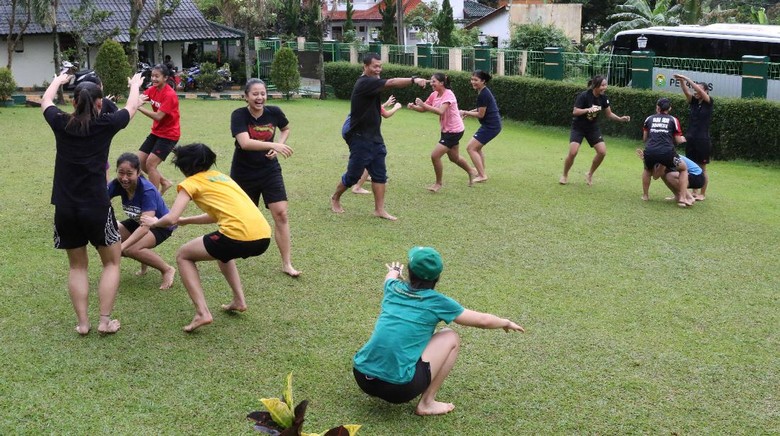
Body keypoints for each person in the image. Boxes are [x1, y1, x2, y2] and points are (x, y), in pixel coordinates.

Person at [353, 246, 525, 416]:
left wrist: (395, 271)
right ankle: (427, 403)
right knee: (450, 336)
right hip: (399, 390)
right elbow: (483, 321)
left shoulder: (392, 288)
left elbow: (389, 278)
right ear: (437, 278)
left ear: (410, 272)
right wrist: (505, 322)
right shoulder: (438, 302)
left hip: (362, 377)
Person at [42, 71, 144, 335]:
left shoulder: (60, 122)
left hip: (65, 207)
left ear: (74, 102)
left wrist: (58, 81)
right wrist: (134, 84)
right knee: (111, 263)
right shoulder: (106, 124)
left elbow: (46, 101)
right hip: (96, 207)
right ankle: (104, 321)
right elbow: (131, 107)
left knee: (77, 266)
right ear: (100, 103)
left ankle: (83, 323)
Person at [141, 143, 272, 332]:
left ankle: (202, 313)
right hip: (263, 236)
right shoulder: (221, 177)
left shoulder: (190, 183)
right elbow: (215, 215)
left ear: (184, 166)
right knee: (223, 254)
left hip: (237, 237)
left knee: (184, 255)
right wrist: (186, 221)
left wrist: (154, 222)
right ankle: (239, 301)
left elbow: (171, 218)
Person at [330, 53, 428, 221]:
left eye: (380, 66)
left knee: (379, 174)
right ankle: (335, 198)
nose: (378, 70)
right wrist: (414, 80)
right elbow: (392, 82)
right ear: (365, 66)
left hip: (375, 137)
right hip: (360, 137)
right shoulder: (364, 83)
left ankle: (379, 210)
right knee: (353, 175)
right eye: (375, 66)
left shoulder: (372, 83)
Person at [230, 79, 300, 277]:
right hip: (244, 172)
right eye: (255, 94)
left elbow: (285, 128)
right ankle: (227, 254)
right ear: (246, 96)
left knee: (281, 214)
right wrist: (274, 145)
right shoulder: (239, 115)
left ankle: (287, 263)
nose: (259, 97)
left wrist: (278, 145)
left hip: (270, 170)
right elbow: (245, 143)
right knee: (240, 217)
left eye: (263, 93)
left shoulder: (274, 112)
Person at [108, 152, 176, 289]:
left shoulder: (147, 190)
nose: (124, 178)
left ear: (138, 172)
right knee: (112, 239)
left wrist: (123, 246)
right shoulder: (117, 184)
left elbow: (145, 226)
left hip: (160, 225)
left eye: (129, 174)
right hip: (137, 220)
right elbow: (100, 201)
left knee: (130, 249)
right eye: (121, 173)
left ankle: (167, 269)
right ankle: (143, 260)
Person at [408, 73, 475, 192]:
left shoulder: (448, 94)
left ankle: (438, 184)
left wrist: (423, 105)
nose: (431, 83)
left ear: (442, 83)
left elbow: (440, 111)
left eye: (434, 81)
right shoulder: (434, 94)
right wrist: (414, 107)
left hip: (454, 130)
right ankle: (471, 171)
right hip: (446, 130)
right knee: (454, 158)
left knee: (435, 156)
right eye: (431, 81)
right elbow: (424, 109)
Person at [559, 75, 631, 186]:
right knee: (573, 152)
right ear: (596, 86)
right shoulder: (584, 95)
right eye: (602, 85)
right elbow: (575, 111)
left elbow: (609, 114)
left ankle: (589, 174)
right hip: (578, 127)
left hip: (592, 128)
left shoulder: (604, 98)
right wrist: (588, 109)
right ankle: (564, 175)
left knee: (602, 152)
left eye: (605, 85)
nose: (605, 87)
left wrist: (620, 119)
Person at [640, 98, 692, 206]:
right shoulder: (673, 120)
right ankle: (682, 198)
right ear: (670, 108)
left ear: (657, 107)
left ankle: (645, 196)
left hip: (650, 151)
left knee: (647, 170)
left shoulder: (649, 118)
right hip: (667, 153)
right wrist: (683, 139)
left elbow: (644, 139)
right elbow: (678, 140)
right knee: (683, 169)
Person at [137, 63, 180, 193]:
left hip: (169, 135)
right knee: (139, 161)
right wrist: (135, 90)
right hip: (156, 132)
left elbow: (158, 116)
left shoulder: (170, 95)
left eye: (157, 76)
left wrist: (139, 107)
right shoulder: (153, 90)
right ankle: (164, 182)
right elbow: (140, 98)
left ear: (165, 78)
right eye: (152, 76)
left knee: (151, 164)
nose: (153, 79)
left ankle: (153, 198)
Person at [350, 96, 402, 195]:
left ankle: (361, 177)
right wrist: (396, 107)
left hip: (353, 131)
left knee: (365, 157)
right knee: (370, 158)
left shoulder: (365, 97)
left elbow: (376, 108)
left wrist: (386, 104)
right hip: (363, 134)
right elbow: (386, 114)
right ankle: (357, 186)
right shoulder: (372, 95)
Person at [673, 73, 713, 201]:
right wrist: (682, 81)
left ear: (705, 91)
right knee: (690, 166)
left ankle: (702, 194)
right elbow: (686, 92)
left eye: (699, 89)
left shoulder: (709, 102)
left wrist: (687, 79)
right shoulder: (694, 102)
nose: (696, 91)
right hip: (691, 139)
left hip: (703, 141)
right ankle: (694, 192)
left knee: (702, 168)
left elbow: (698, 90)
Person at [459, 70, 501, 183]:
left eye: (476, 80)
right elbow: (481, 109)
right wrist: (468, 112)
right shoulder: (483, 92)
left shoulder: (483, 94)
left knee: (471, 148)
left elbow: (481, 114)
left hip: (491, 126)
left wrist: (465, 112)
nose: (473, 82)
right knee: (476, 148)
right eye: (472, 79)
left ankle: (482, 175)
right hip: (491, 125)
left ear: (483, 81)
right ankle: (480, 172)